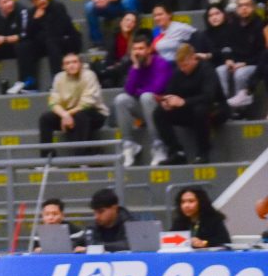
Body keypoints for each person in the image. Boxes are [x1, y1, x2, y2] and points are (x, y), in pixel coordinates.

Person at [153, 43, 226, 164]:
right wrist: (167, 101)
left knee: (200, 110)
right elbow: (171, 91)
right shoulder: (179, 72)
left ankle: (203, 153)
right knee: (159, 112)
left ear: (193, 58)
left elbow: (208, 97)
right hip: (189, 110)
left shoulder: (207, 70)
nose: (183, 69)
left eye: (185, 65)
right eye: (180, 66)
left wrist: (184, 102)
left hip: (214, 109)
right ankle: (177, 152)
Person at [111, 31, 174, 167]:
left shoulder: (161, 63)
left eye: (141, 48)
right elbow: (128, 91)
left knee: (147, 97)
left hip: (163, 109)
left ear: (149, 49)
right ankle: (129, 144)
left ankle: (159, 145)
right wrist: (135, 68)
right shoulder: (135, 66)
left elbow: (156, 89)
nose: (137, 52)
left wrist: (138, 91)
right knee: (121, 99)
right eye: (134, 49)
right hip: (145, 107)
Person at [37, 53, 107, 157]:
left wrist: (67, 114)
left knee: (81, 115)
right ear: (63, 67)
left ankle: (81, 157)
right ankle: (47, 156)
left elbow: (87, 103)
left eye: (74, 62)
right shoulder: (59, 77)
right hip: (68, 116)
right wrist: (64, 115)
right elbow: (53, 102)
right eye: (67, 63)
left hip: (94, 113)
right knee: (45, 118)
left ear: (80, 64)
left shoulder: (89, 75)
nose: (71, 65)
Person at [24, 0, 83, 91]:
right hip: (49, 44)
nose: (42, 0)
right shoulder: (32, 13)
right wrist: (36, 19)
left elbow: (58, 31)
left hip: (69, 41)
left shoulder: (57, 7)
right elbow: (28, 35)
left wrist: (41, 32)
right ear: (33, 2)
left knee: (51, 41)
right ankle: (30, 84)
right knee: (26, 46)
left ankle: (57, 82)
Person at [0, 0, 33, 94]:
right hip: (4, 47)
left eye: (11, 0)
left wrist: (3, 39)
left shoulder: (22, 11)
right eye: (5, 2)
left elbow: (24, 35)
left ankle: (23, 82)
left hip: (21, 46)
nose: (10, 3)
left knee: (23, 45)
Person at [224, 0, 266, 112]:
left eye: (247, 5)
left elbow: (263, 54)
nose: (244, 8)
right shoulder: (232, 25)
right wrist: (228, 59)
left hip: (254, 64)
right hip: (235, 62)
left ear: (254, 7)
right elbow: (227, 46)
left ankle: (240, 110)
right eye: (241, 5)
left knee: (240, 74)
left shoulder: (260, 25)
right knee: (220, 70)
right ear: (237, 9)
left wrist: (244, 63)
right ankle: (223, 106)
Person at [79, 187, 134, 252]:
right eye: (95, 212)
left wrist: (98, 247)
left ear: (114, 208)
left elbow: (131, 244)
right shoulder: (94, 227)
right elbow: (78, 242)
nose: (96, 216)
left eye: (101, 211)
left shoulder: (130, 224)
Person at [95, 10, 139, 88]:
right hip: (114, 70)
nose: (129, 23)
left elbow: (133, 61)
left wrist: (119, 66)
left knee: (125, 80)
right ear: (121, 22)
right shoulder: (113, 37)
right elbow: (109, 58)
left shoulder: (137, 39)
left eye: (132, 22)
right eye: (127, 20)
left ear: (134, 25)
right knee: (106, 82)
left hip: (128, 70)